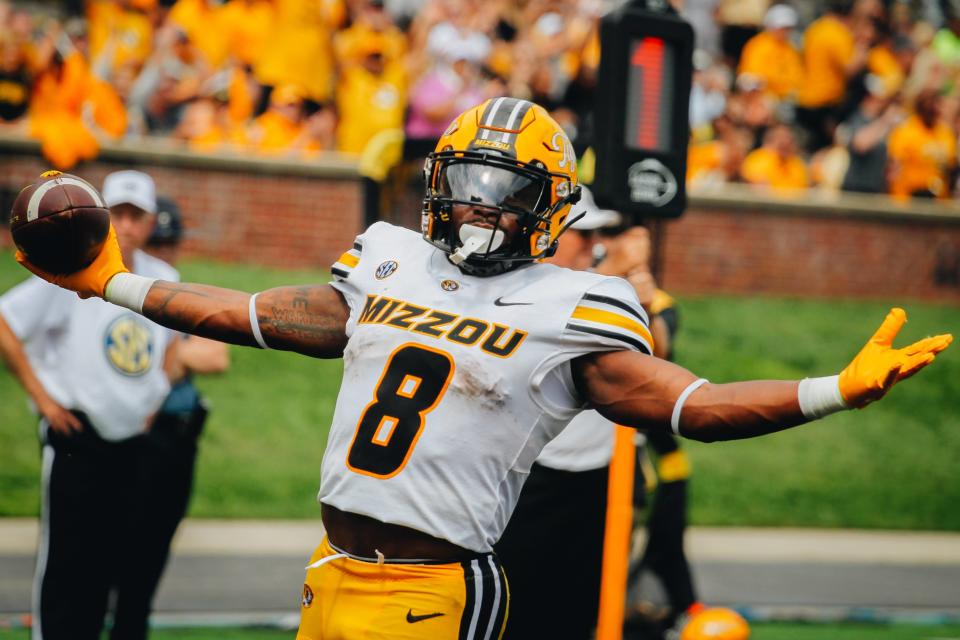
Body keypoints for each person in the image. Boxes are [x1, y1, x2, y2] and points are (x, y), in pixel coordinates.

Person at [16, 97, 951, 640]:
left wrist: (832, 390)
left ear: (549, 210)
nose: (477, 207)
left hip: (436, 589)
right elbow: (254, 313)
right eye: (465, 182)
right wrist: (111, 282)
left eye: (505, 195)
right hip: (330, 568)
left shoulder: (574, 304)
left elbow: (691, 405)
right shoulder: (389, 255)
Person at [0, 169, 178, 640]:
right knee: (66, 564)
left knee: (114, 562)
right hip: (78, 435)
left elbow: (173, 343)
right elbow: (5, 321)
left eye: (136, 215)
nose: (127, 223)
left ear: (151, 220)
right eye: (117, 212)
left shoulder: (163, 278)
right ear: (101, 217)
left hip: (133, 441)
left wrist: (157, 392)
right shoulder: (73, 270)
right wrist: (43, 399)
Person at [109, 195, 230, 640]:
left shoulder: (176, 287)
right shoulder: (128, 287)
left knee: (148, 555)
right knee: (119, 553)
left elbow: (215, 355)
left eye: (170, 243)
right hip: (139, 435)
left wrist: (178, 354)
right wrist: (175, 356)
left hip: (175, 438)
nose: (168, 253)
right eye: (162, 244)